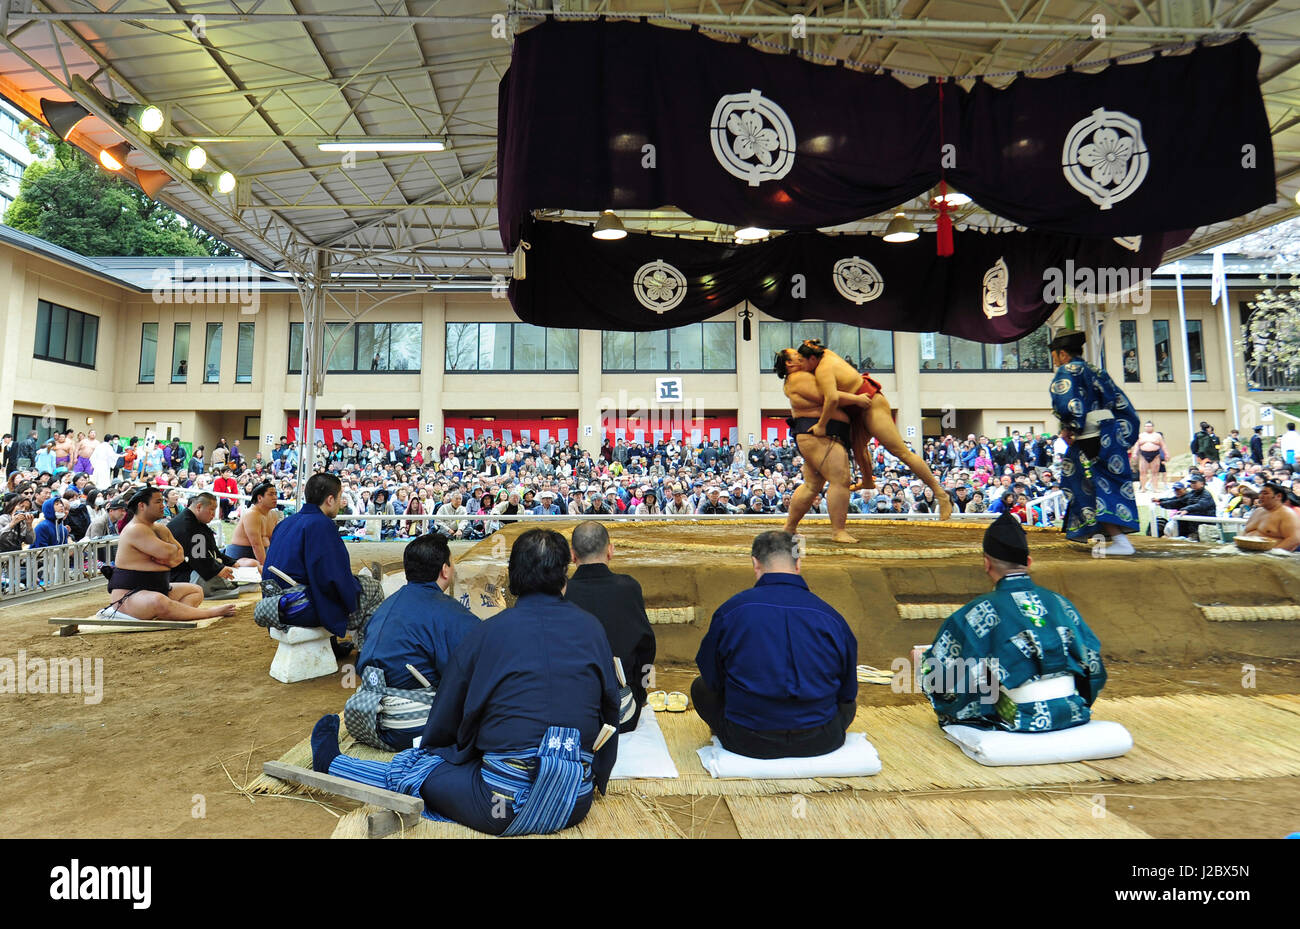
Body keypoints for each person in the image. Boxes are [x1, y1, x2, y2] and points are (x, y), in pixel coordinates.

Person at [312, 529, 621, 836]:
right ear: (563, 578)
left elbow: (451, 711)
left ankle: (332, 764)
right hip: (573, 799)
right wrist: (598, 774)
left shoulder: (489, 633)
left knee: (416, 769)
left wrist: (440, 751)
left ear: (513, 577)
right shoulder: (592, 629)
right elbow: (611, 709)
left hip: (500, 803)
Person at [920, 513, 1106, 731]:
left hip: (1020, 716)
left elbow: (941, 679)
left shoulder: (978, 612)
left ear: (986, 564)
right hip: (1072, 710)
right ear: (1028, 562)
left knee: (928, 663)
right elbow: (1094, 664)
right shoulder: (1060, 603)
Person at [691, 530, 858, 759]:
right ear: (798, 564)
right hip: (821, 739)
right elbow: (848, 691)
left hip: (748, 740)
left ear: (755, 563)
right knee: (848, 703)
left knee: (700, 688)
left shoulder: (731, 611)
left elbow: (712, 679)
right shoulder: (831, 616)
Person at [346, 533, 479, 749]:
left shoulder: (386, 606)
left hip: (367, 715)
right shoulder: (450, 613)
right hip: (410, 726)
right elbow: (472, 673)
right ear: (445, 570)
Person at [793, 339, 952, 517]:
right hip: (857, 407)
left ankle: (941, 494)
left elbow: (832, 399)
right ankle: (868, 481)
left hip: (871, 403)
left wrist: (821, 425)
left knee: (901, 452)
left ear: (813, 359)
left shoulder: (823, 368)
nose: (800, 365)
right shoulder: (824, 355)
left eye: (802, 361)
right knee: (856, 445)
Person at [263, 472, 385, 653]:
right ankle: (367, 652)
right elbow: (332, 578)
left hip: (272, 604)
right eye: (339, 497)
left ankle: (331, 645)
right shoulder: (321, 524)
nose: (340, 501)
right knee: (370, 588)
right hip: (298, 607)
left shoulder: (286, 522)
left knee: (322, 583)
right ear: (330, 499)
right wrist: (352, 589)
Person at [1048, 329, 1140, 555]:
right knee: (1106, 482)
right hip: (1110, 433)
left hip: (1090, 435)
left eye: (1054, 357)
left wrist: (1070, 427)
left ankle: (1119, 540)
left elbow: (1067, 403)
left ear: (1062, 354)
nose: (1055, 362)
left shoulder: (1067, 370)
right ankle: (1112, 537)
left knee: (1090, 484)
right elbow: (1121, 403)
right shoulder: (1096, 370)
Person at [564, 522, 656, 732]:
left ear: (572, 555)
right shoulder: (629, 587)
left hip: (570, 709)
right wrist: (640, 695)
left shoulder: (562, 592)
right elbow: (647, 647)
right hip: (622, 711)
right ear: (610, 551)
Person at [104, 487, 237, 621]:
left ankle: (176, 613)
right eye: (158, 502)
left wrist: (166, 555)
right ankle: (208, 613)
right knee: (158, 601)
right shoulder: (135, 529)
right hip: (130, 595)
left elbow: (177, 558)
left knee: (196, 591)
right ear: (142, 505)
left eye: (162, 501)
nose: (163, 506)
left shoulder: (160, 528)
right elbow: (170, 555)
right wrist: (170, 553)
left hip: (159, 587)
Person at [774, 347, 858, 543]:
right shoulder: (798, 377)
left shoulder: (799, 377)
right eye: (797, 355)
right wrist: (857, 399)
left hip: (817, 435)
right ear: (789, 364)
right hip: (818, 434)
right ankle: (838, 531)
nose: (801, 357)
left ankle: (789, 528)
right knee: (840, 479)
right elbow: (828, 397)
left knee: (812, 485)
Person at [167, 492, 242, 598]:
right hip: (180, 575)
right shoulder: (186, 525)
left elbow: (214, 552)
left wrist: (232, 562)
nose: (213, 514)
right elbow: (198, 559)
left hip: (194, 568)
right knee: (212, 577)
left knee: (226, 570)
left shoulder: (197, 523)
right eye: (211, 510)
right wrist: (219, 569)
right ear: (199, 507)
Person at [226, 481, 275, 565]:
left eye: (275, 494)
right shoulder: (252, 514)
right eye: (271, 494)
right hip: (240, 556)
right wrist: (266, 567)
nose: (275, 497)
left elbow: (274, 541)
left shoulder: (273, 514)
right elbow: (256, 545)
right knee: (253, 564)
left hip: (264, 552)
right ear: (259, 498)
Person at [1240, 482, 1300, 552]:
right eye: (1260, 493)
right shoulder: (1257, 511)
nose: (1261, 496)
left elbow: (1295, 539)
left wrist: (1271, 554)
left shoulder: (1288, 514)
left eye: (1265, 493)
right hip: (1245, 552)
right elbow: (1245, 532)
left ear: (1278, 496)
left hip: (1271, 557)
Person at [1133, 421, 1168, 493]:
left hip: (1155, 455)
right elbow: (1137, 445)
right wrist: (1134, 454)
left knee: (1155, 473)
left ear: (1152, 427)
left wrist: (1166, 454)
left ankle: (1155, 488)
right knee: (1143, 472)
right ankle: (1143, 488)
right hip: (1143, 455)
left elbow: (1163, 445)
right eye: (1146, 426)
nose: (1148, 427)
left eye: (1149, 426)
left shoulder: (1157, 435)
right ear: (1144, 427)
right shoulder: (1141, 435)